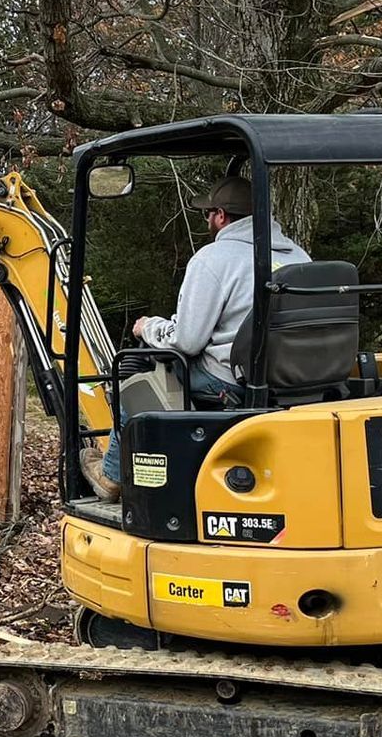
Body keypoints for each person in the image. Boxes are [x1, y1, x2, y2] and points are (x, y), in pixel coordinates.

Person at [81, 172, 309, 501]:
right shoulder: (299, 256)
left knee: (133, 381)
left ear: (220, 216)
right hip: (296, 381)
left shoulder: (214, 259)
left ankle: (112, 476)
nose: (208, 220)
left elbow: (187, 341)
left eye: (208, 213)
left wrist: (149, 328)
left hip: (230, 382)